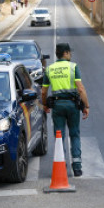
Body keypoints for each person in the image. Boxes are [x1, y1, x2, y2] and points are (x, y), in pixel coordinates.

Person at [41, 42, 90, 177]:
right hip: (72, 105)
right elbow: (80, 89)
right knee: (74, 134)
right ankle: (77, 167)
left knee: (59, 135)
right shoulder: (73, 67)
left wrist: (45, 105)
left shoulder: (49, 69)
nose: (71, 54)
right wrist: (86, 106)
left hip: (57, 106)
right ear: (66, 53)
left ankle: (61, 164)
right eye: (70, 52)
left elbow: (44, 91)